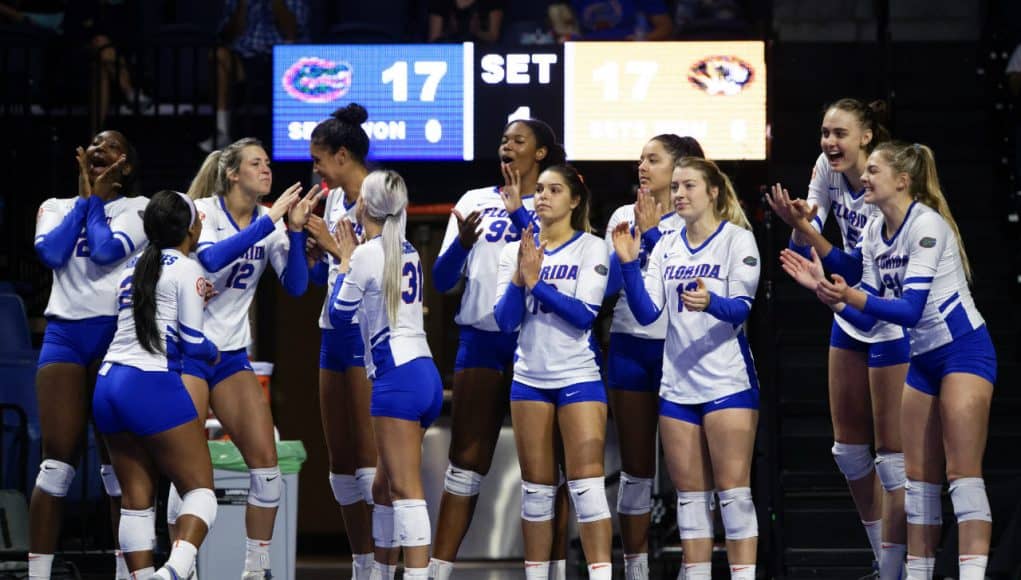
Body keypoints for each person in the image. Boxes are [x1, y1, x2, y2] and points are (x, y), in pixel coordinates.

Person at [782, 142, 996, 580]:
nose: (863, 178)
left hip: (963, 350)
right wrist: (828, 292)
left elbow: (910, 309)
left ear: (902, 180)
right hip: (922, 359)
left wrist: (850, 294)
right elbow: (862, 290)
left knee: (962, 476)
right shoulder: (876, 228)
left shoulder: (928, 226)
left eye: (873, 171)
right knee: (917, 487)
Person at [765, 97, 910, 577]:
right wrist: (802, 219)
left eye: (840, 134)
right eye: (825, 133)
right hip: (849, 305)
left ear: (866, 137)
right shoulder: (825, 170)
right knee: (848, 451)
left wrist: (807, 230)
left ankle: (903, 564)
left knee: (892, 457)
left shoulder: (885, 179)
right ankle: (884, 559)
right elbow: (805, 239)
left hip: (888, 310)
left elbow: (852, 263)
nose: (829, 142)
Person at [168, 137, 318, 579]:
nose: (267, 170)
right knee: (186, 468)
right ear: (233, 173)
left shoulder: (266, 223)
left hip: (231, 355)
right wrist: (270, 221)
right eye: (257, 164)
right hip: (188, 351)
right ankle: (185, 564)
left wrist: (290, 230)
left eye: (268, 163)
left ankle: (257, 568)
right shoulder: (205, 212)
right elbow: (210, 259)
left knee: (267, 467)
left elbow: (294, 286)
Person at [430, 118, 571, 580]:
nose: (506, 146)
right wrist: (462, 244)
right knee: (466, 459)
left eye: (519, 140)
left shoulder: (557, 199)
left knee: (547, 468)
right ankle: (436, 571)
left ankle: (551, 571)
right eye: (503, 139)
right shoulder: (474, 201)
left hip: (540, 340)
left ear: (541, 154)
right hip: (482, 338)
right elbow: (443, 280)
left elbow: (556, 257)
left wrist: (519, 211)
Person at [612, 157, 761, 579]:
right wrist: (628, 263)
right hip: (677, 386)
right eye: (675, 187)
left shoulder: (737, 240)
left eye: (689, 186)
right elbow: (647, 314)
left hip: (727, 382)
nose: (678, 194)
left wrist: (711, 301)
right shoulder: (667, 245)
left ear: (713, 191)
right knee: (690, 500)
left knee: (734, 496)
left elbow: (741, 309)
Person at [30, 130, 148, 580]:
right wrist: (84, 201)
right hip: (64, 334)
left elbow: (102, 251)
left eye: (113, 146)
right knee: (56, 465)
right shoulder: (54, 206)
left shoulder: (138, 209)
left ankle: (125, 572)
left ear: (127, 167)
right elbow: (53, 252)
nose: (100, 149)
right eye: (94, 145)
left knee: (117, 464)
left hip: (116, 336)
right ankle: (37, 574)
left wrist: (96, 201)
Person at [494, 164, 613, 580]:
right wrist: (518, 279)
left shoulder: (592, 248)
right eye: (540, 189)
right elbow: (506, 322)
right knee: (537, 491)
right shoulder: (516, 250)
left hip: (578, 375)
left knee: (587, 487)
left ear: (575, 200)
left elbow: (584, 316)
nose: (543, 196)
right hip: (530, 379)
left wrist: (538, 284)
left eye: (555, 189)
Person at [93, 190, 219, 580]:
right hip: (147, 383)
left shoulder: (132, 268)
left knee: (135, 501)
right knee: (200, 492)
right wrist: (215, 351)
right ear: (191, 227)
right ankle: (174, 573)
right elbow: (195, 345)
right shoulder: (187, 267)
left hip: (107, 383)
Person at [327, 170, 445, 580]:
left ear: (364, 205)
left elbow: (337, 317)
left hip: (397, 382)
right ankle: (377, 574)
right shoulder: (407, 248)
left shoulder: (364, 255)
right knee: (382, 488)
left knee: (406, 493)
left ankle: (414, 575)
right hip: (424, 374)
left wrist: (343, 261)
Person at [601, 134, 704, 580]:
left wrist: (658, 232)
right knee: (636, 467)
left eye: (653, 159)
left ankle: (693, 567)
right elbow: (604, 290)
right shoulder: (623, 217)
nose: (642, 166)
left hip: (680, 348)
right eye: (640, 158)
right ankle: (636, 568)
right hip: (629, 345)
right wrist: (637, 241)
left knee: (688, 470)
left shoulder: (693, 217)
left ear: (678, 167)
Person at [303, 103, 377, 580]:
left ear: (342, 154)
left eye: (318, 160)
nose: (314, 169)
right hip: (332, 329)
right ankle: (362, 564)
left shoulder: (382, 195)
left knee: (372, 466)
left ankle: (389, 563)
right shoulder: (331, 201)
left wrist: (332, 246)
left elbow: (379, 269)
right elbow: (329, 276)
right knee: (340, 464)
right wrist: (314, 253)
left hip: (370, 333)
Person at [199, 0, 310, 152]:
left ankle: (290, 142)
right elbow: (226, 35)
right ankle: (222, 132)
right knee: (219, 55)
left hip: (281, 60)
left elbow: (292, 32)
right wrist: (242, 5)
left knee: (293, 64)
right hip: (244, 56)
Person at [550, 0, 672, 41]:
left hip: (632, 53)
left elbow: (665, 27)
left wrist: (643, 40)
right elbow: (568, 30)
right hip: (588, 55)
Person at [427, 0, 505, 43]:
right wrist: (450, 32)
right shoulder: (439, 2)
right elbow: (434, 40)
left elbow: (494, 37)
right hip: (451, 50)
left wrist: (477, 32)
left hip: (481, 50)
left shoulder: (493, 2)